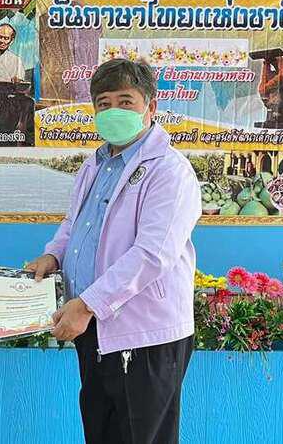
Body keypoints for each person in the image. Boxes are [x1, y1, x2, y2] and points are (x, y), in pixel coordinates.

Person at [26, 58, 201, 444]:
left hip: (143, 334)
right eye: (103, 104)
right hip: (94, 328)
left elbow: (153, 254)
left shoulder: (169, 170)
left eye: (125, 101)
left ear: (150, 107)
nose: (113, 111)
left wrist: (88, 304)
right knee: (102, 432)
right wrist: (53, 256)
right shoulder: (97, 164)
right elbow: (76, 224)